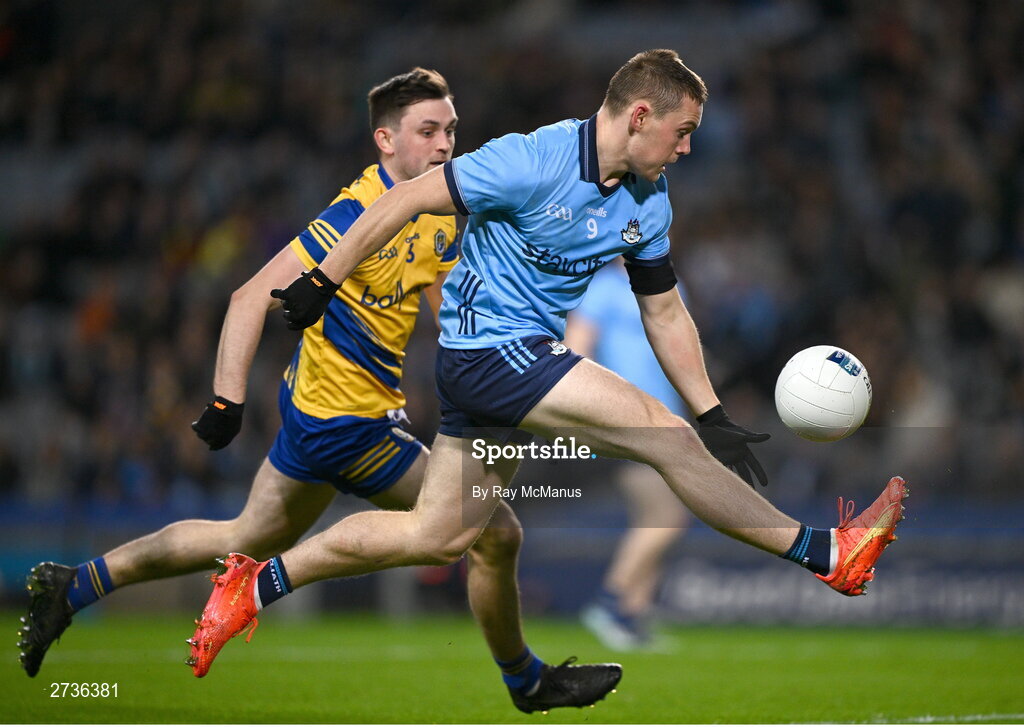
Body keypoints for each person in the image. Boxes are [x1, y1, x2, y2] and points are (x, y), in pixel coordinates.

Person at [193, 49, 908, 699]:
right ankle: (827, 554)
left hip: (509, 365)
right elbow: (407, 197)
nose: (688, 148)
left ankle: (254, 584)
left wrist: (712, 411)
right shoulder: (529, 160)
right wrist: (326, 277)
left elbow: (664, 313)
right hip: (486, 354)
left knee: (439, 536)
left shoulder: (648, 200)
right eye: (682, 131)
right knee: (664, 434)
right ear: (639, 116)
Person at [18, 67, 621, 714]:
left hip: (316, 416)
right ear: (385, 141)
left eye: (450, 129)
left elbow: (449, 303)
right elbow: (250, 297)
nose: (445, 143)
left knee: (241, 532)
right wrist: (226, 402)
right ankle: (525, 681)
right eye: (427, 131)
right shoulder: (352, 214)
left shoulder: (439, 208)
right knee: (493, 532)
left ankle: (73, 585)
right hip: (348, 425)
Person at [565, 260, 690, 651]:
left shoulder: (672, 285)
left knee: (655, 519)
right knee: (666, 518)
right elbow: (576, 349)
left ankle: (631, 617)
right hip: (627, 417)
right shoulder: (602, 287)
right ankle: (611, 601)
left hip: (668, 417)